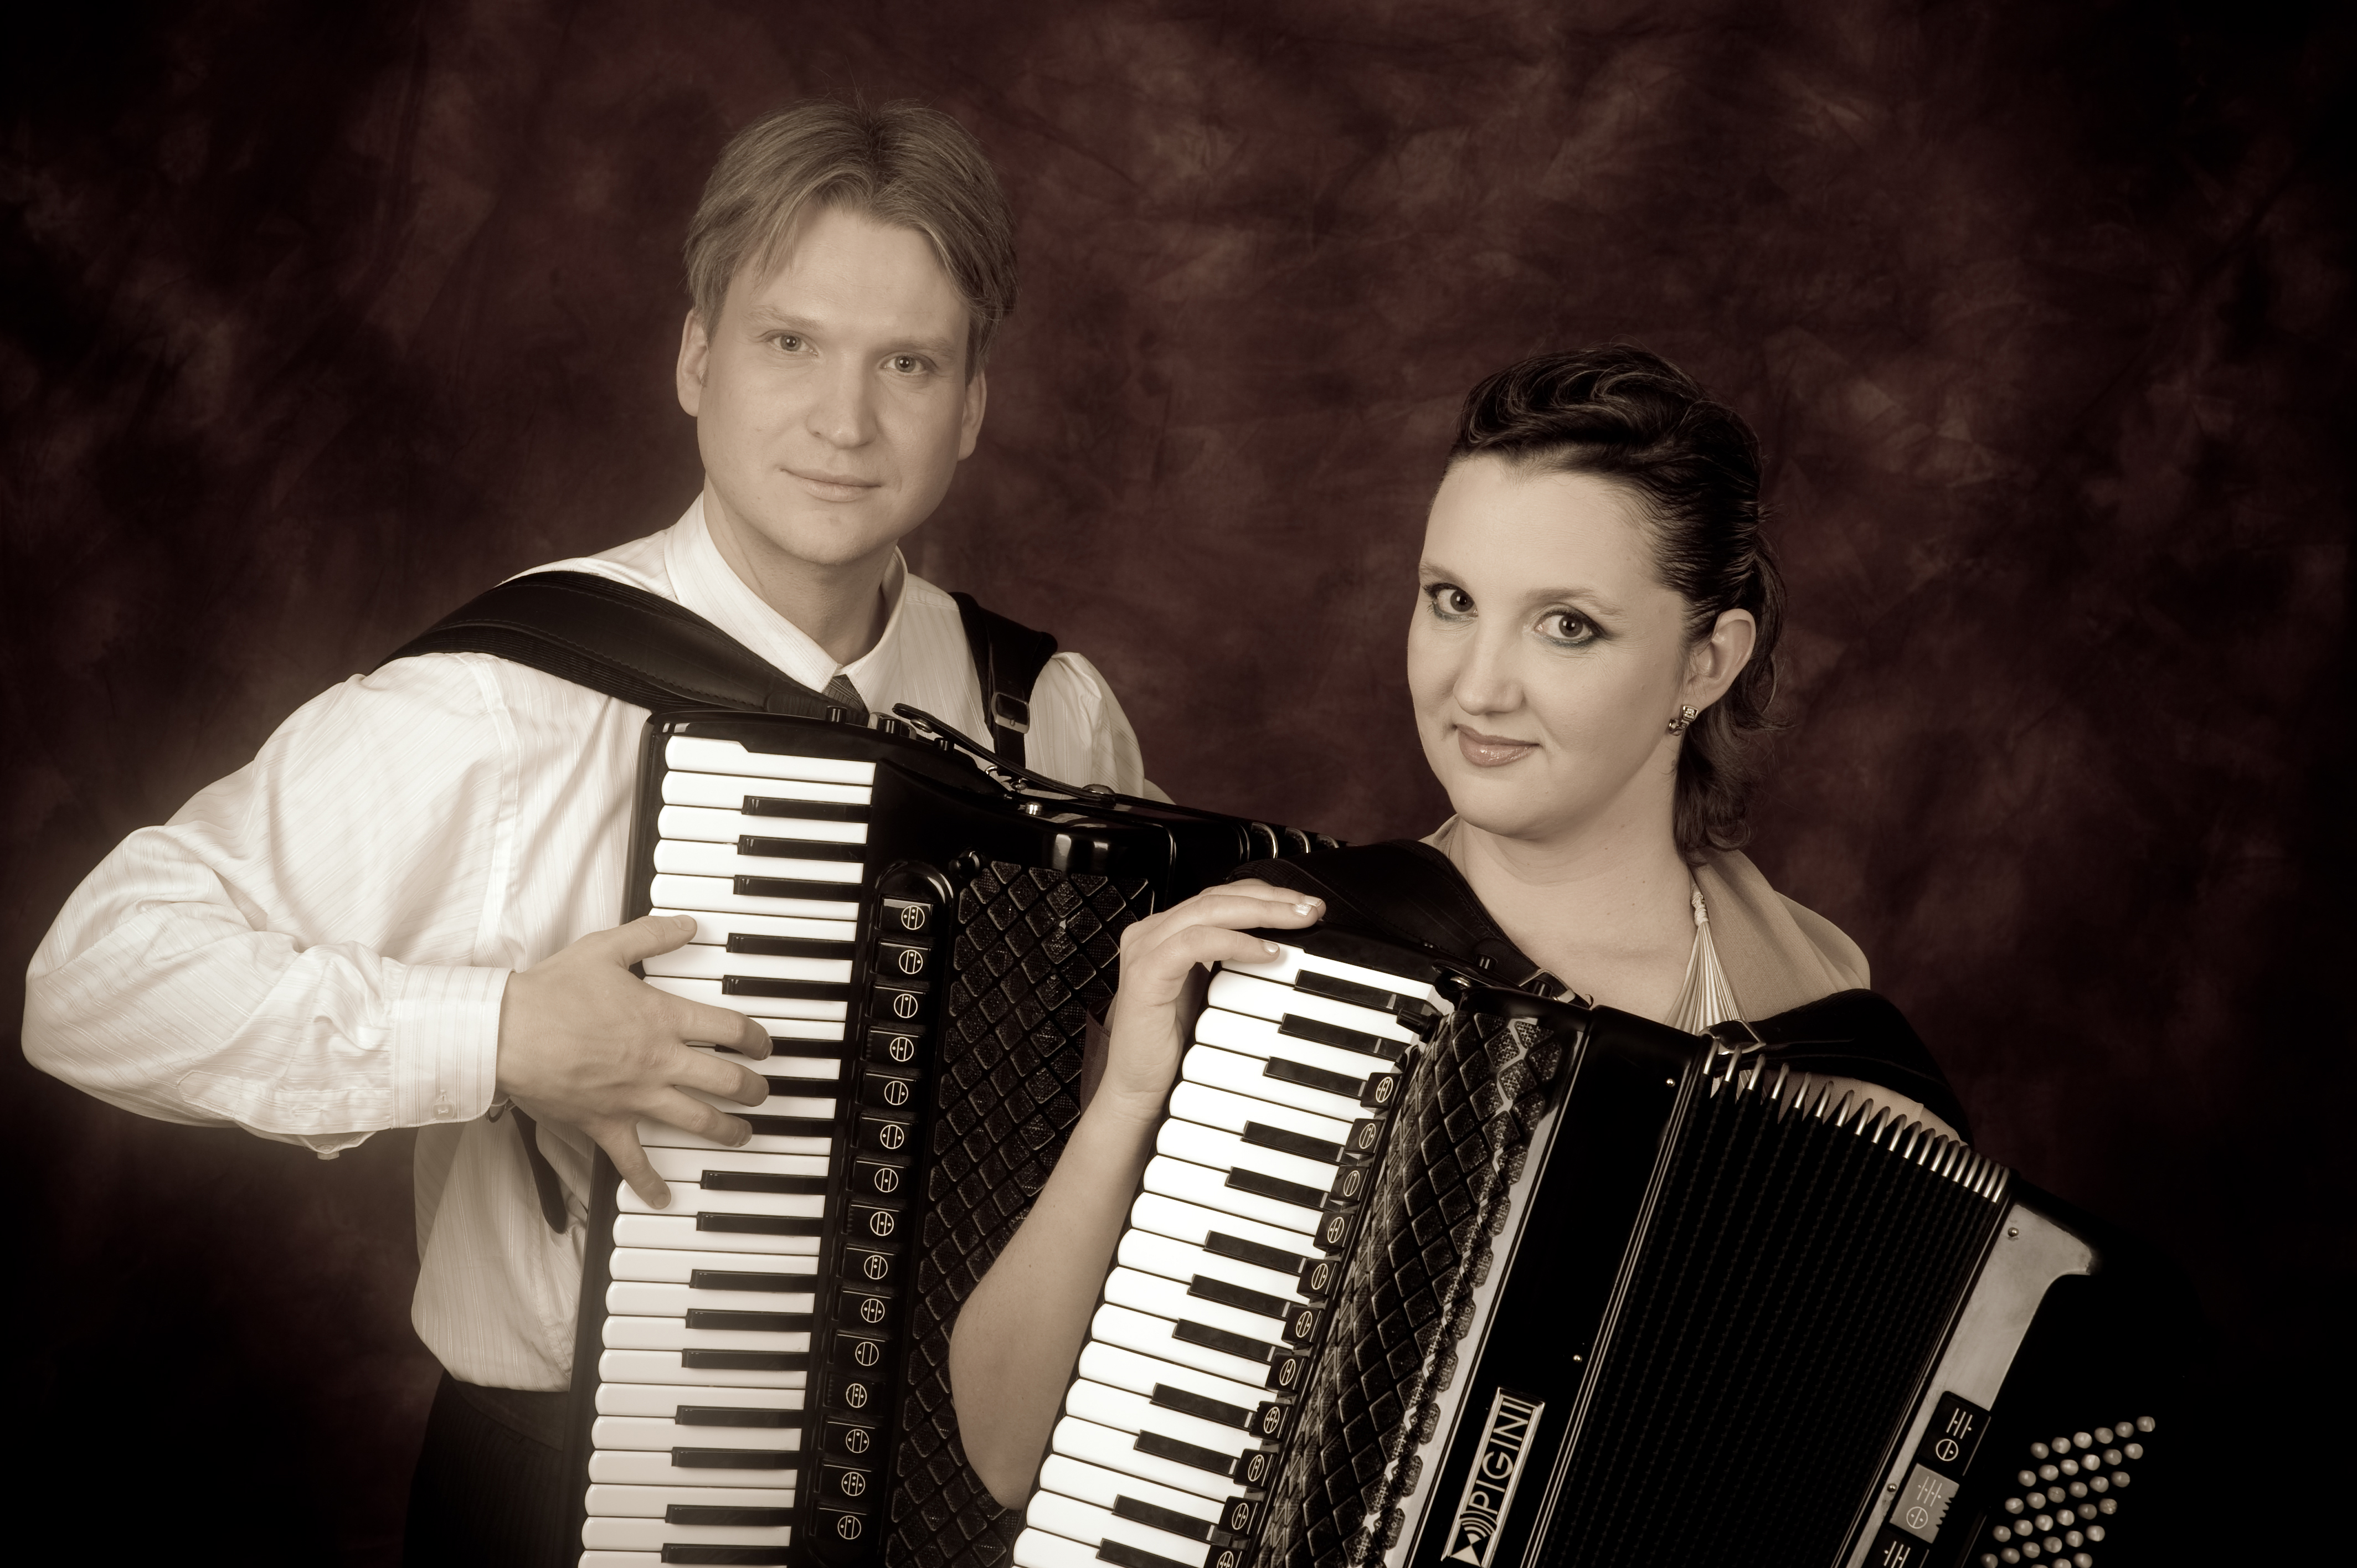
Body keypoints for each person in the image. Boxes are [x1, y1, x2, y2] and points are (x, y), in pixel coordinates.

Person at [21, 99, 1160, 1565]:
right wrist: (498, 1038)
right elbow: (96, 981)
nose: (845, 420)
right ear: (695, 360)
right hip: (557, 1503)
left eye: (908, 363)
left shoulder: (1049, 717)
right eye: (789, 343)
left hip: (948, 1511)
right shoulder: (507, 705)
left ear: (973, 406)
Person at [945, 344, 1971, 1506]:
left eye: (1566, 626)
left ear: (1706, 663)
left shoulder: (1820, 998)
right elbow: (1010, 1449)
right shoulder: (1294, 968)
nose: (1478, 687)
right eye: (1453, 602)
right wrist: (1130, 1098)